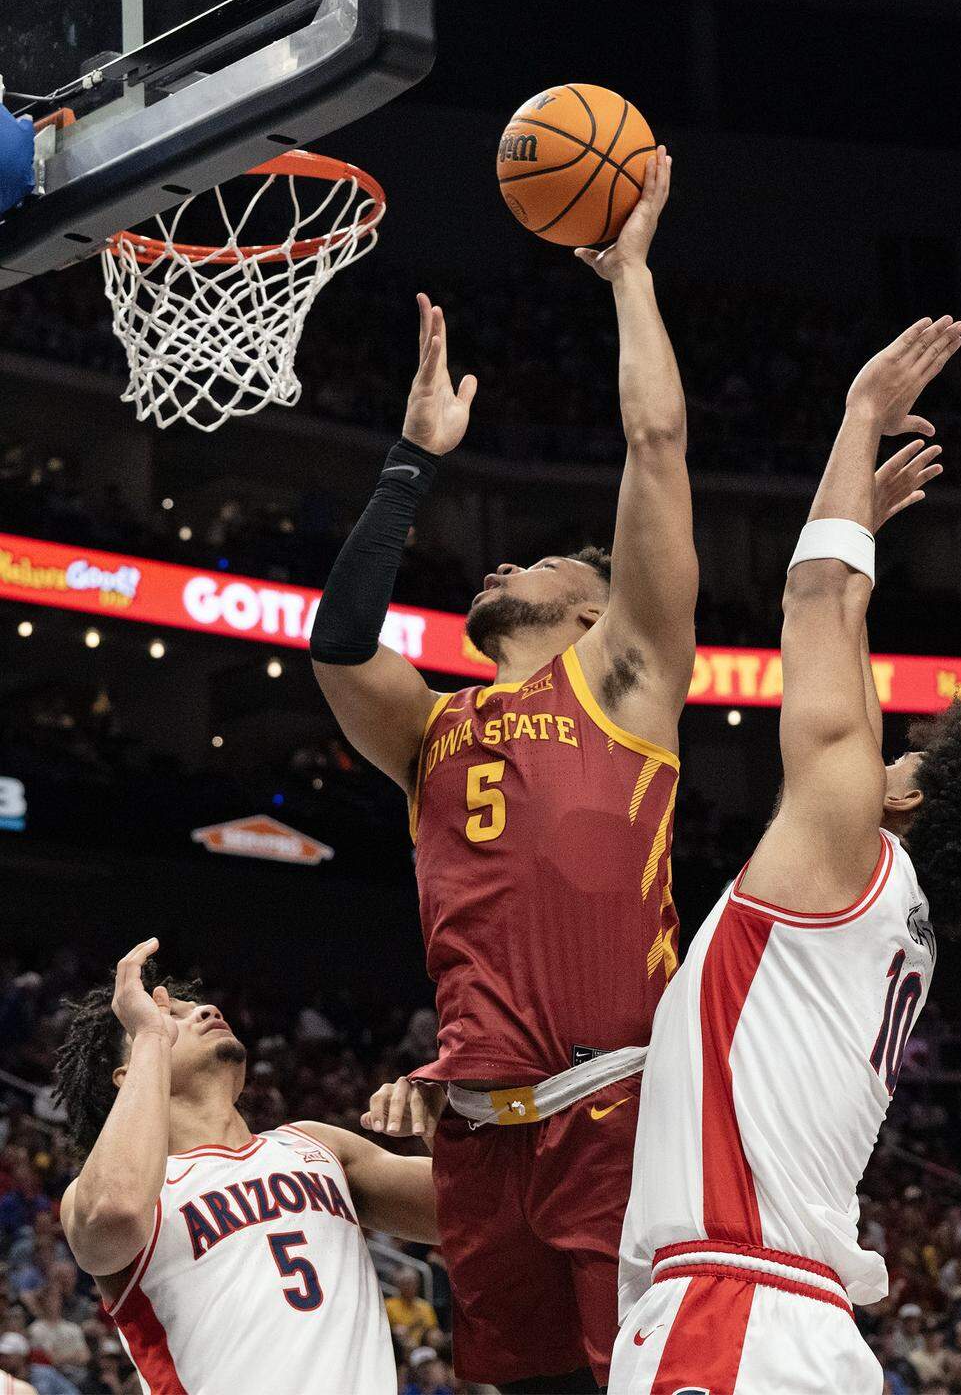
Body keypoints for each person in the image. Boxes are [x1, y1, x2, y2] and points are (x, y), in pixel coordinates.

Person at [612, 316, 961, 1393]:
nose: (884, 752)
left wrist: (859, 420)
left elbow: (816, 606)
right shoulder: (882, 922)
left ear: (905, 794)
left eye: (905, 754)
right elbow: (844, 661)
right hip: (796, 1326)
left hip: (734, 1321)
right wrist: (855, 524)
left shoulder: (849, 864)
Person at [311, 150, 697, 1392]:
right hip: (481, 1140)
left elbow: (654, 438)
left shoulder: (624, 683)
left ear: (594, 611)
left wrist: (630, 277)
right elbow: (338, 643)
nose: (503, 569)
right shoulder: (434, 731)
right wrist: (412, 459)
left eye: (538, 568)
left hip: (619, 1119)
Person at [54, 939, 440, 1395]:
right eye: (170, 1016)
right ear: (129, 1072)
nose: (205, 1010)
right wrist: (152, 1039)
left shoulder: (316, 1144)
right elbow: (112, 1212)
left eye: (191, 1007)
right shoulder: (113, 1193)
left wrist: (445, 1126)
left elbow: (471, 1217)